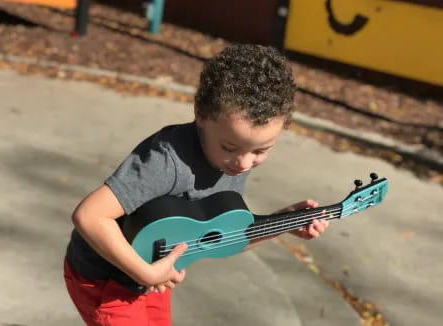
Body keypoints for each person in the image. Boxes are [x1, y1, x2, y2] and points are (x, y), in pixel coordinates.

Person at [63, 44, 329, 326]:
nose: (243, 164)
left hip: (154, 274)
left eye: (261, 151)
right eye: (230, 147)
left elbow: (224, 238)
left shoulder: (234, 157)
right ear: (201, 114)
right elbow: (89, 216)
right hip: (106, 280)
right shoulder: (166, 162)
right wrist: (145, 273)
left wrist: (281, 222)